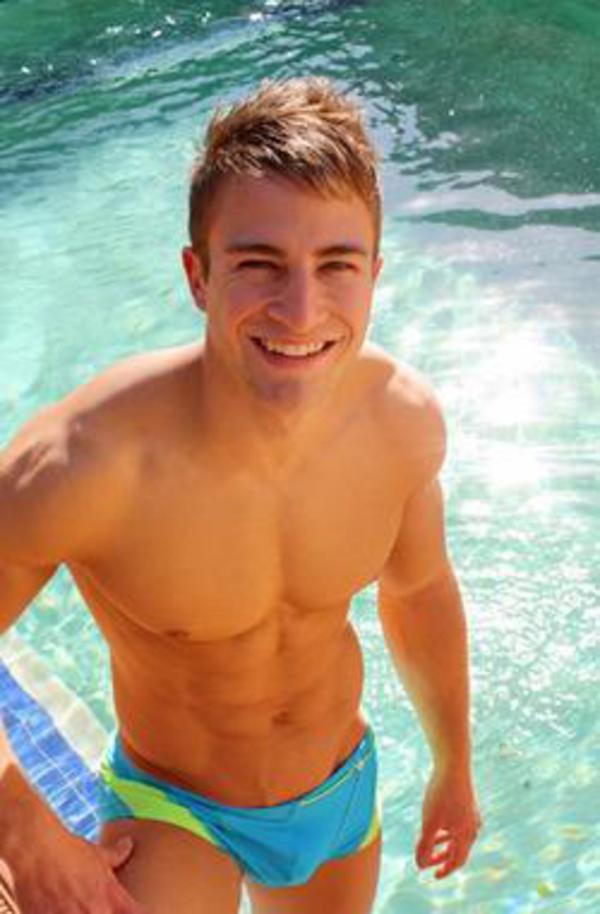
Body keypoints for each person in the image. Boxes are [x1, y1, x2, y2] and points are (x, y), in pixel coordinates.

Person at [0, 77, 480, 914]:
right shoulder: (87, 462)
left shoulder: (400, 423)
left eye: (337, 266)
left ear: (374, 274)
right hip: (175, 809)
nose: (301, 310)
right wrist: (22, 827)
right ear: (198, 275)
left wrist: (454, 767)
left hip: (338, 796)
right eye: (260, 265)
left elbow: (420, 591)